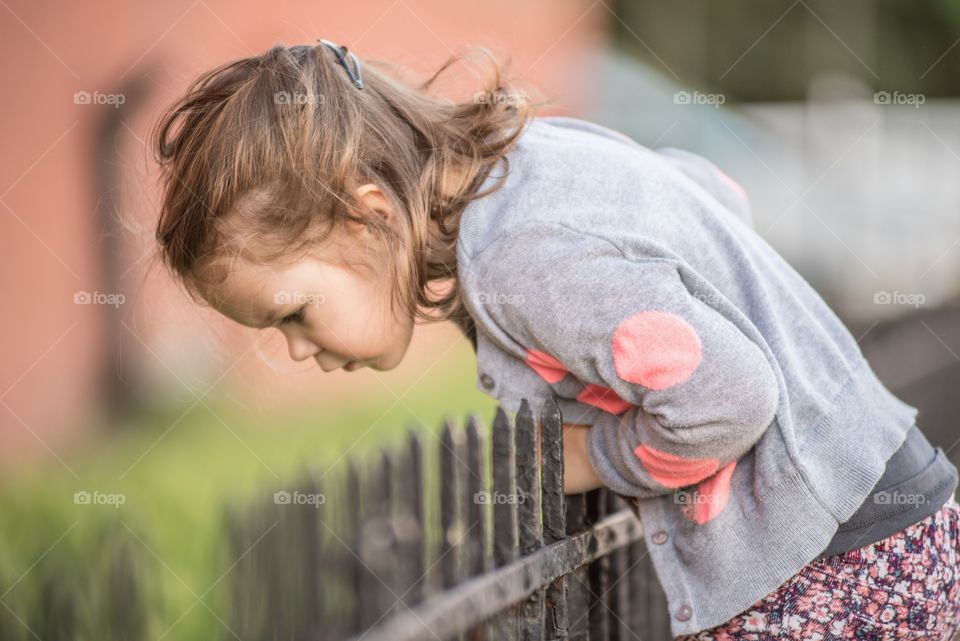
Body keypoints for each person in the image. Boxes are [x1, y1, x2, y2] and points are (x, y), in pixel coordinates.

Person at [150, 39, 960, 640]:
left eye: (291, 310)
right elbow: (708, 190)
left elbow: (732, 398)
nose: (296, 348)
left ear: (370, 212)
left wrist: (595, 455)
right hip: (884, 511)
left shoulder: (517, 258)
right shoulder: (537, 162)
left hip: (840, 564)